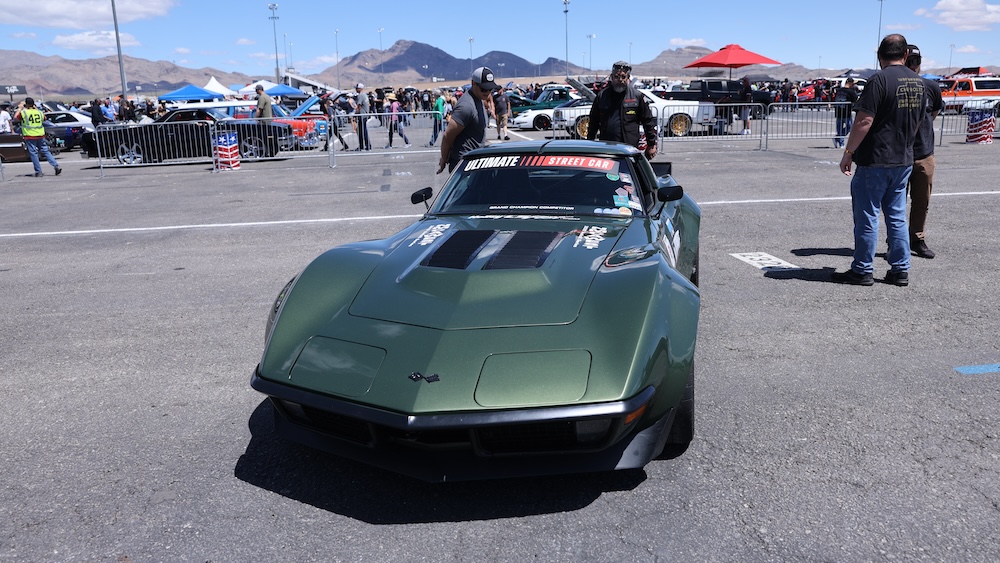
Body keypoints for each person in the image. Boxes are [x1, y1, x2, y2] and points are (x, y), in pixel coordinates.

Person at [833, 35, 924, 287]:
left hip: (876, 160)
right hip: (903, 159)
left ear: (879, 56)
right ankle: (900, 269)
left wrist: (848, 152)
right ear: (905, 54)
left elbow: (864, 121)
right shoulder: (919, 82)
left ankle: (862, 269)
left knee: (867, 215)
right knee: (896, 216)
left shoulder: (878, 80)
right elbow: (919, 121)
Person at [904, 44, 943, 259]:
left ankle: (917, 239)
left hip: (924, 154)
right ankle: (896, 241)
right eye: (910, 60)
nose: (913, 65)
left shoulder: (931, 87)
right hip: (899, 155)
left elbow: (934, 112)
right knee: (897, 203)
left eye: (916, 61)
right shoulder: (895, 85)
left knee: (922, 201)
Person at [586, 61, 658, 160]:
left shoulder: (637, 97)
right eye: (616, 77)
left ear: (628, 78)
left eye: (623, 77)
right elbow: (593, 122)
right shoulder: (602, 96)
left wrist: (651, 145)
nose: (620, 80)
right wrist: (590, 144)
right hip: (607, 148)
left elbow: (648, 121)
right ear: (611, 77)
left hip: (630, 148)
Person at [437, 66, 498, 174]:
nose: (487, 92)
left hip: (475, 162)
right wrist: (444, 159)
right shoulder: (466, 106)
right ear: (473, 83)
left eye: (490, 89)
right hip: (464, 165)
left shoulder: (479, 100)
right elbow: (448, 136)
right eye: (484, 88)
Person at [13, 97, 61, 177]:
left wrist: (19, 108)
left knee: (34, 153)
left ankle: (39, 171)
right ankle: (56, 165)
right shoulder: (39, 112)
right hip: (40, 134)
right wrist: (36, 108)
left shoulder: (24, 112)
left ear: (26, 104)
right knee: (45, 151)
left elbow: (15, 118)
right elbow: (45, 119)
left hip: (30, 135)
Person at [832, 78, 859, 148]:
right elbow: (856, 99)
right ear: (851, 83)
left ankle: (838, 138)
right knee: (849, 127)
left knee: (841, 128)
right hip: (846, 113)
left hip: (838, 112)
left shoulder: (839, 90)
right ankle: (841, 143)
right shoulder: (850, 92)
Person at [353, 83, 372, 151]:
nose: (356, 89)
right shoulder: (364, 95)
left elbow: (359, 106)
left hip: (362, 115)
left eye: (357, 88)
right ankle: (364, 145)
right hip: (365, 115)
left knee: (362, 131)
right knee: (362, 131)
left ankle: (365, 146)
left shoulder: (360, 96)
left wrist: (355, 115)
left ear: (360, 88)